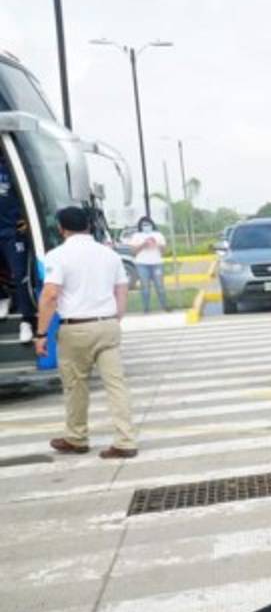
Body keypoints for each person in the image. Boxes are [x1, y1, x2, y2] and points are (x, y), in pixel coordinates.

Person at [32, 207, 137, 459]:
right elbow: (122, 290)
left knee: (75, 385)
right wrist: (116, 318)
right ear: (89, 226)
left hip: (76, 328)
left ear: (61, 228)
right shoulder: (109, 254)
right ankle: (125, 440)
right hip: (108, 325)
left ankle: (77, 438)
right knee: (116, 385)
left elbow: (50, 295)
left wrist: (41, 333)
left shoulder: (57, 255)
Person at [0, 155, 34, 343]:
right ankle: (3, 298)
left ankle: (26, 321)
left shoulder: (11, 166)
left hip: (12, 231)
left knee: (20, 275)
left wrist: (25, 220)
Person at [130, 217, 170, 313]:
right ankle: (146, 308)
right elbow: (133, 251)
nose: (146, 227)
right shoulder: (136, 236)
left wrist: (157, 244)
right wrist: (143, 244)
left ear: (152, 225)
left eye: (148, 224)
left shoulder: (158, 235)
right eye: (144, 225)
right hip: (142, 264)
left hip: (157, 263)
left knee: (160, 286)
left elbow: (164, 251)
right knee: (145, 287)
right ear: (140, 226)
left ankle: (165, 306)